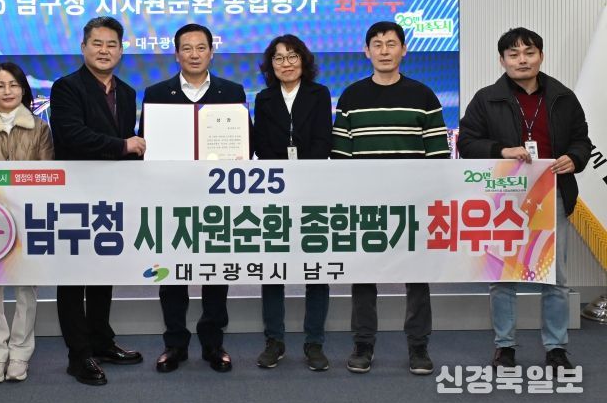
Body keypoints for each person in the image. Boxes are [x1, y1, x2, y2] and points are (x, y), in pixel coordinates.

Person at [458, 27, 591, 370]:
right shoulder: (486, 99)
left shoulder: (563, 97)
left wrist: (575, 158)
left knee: (555, 278)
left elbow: (582, 140)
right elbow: (466, 143)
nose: (522, 60)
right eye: (513, 54)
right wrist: (501, 150)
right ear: (502, 60)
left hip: (552, 195)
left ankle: (556, 347)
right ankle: (505, 346)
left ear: (541, 56)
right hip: (503, 198)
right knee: (503, 276)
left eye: (529, 53)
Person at [331, 21, 450, 375]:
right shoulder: (351, 96)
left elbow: (437, 157)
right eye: (377, 44)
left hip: (413, 205)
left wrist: (428, 200)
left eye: (391, 44)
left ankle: (418, 347)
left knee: (417, 279)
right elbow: (341, 158)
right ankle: (363, 345)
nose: (384, 51)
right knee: (363, 278)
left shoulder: (423, 96)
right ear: (366, 51)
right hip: (365, 204)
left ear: (404, 50)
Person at [142, 23, 247, 373]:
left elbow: (244, 143)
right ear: (176, 54)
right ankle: (174, 343)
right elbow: (147, 146)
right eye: (186, 48)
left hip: (218, 198)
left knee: (216, 271)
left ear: (211, 52)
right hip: (171, 198)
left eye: (201, 48)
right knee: (171, 273)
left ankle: (213, 343)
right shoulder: (157, 94)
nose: (194, 54)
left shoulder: (231, 91)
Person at [49, 16, 146, 385]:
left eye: (112, 44)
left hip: (111, 195)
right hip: (75, 194)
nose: (104, 51)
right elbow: (72, 136)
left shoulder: (127, 92)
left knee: (104, 271)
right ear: (83, 47)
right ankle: (79, 355)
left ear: (121, 50)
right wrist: (123, 146)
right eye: (97, 43)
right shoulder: (66, 87)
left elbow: (132, 146)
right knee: (73, 278)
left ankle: (102, 341)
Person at [0, 62, 54, 383]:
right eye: (0, 85)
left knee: (27, 289)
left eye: (14, 85)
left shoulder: (40, 129)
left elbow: (46, 173)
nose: (7, 91)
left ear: (23, 90)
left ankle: (20, 354)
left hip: (28, 217)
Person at [253, 34, 332, 371]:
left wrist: (302, 175)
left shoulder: (319, 93)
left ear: (304, 60)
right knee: (273, 269)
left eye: (292, 56)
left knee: (316, 269)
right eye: (279, 58)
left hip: (313, 189)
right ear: (270, 64)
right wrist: (282, 175)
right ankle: (274, 340)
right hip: (275, 191)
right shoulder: (263, 98)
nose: (286, 63)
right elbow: (260, 144)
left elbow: (323, 139)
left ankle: (314, 342)